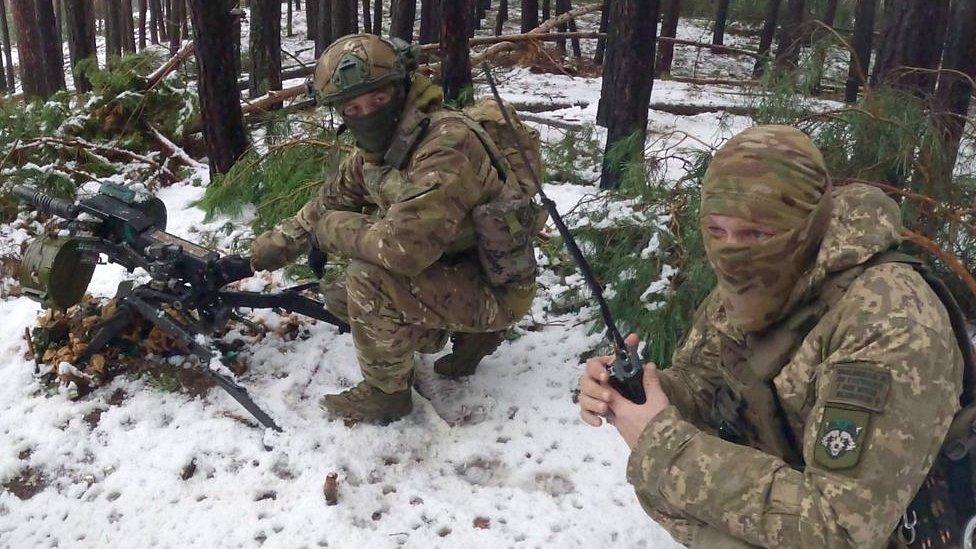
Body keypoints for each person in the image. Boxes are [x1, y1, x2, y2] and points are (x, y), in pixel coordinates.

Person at [578, 125, 965, 547]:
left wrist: (665, 446)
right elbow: (705, 382)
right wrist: (638, 392)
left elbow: (838, 530)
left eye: (756, 234)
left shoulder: (889, 321)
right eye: (717, 231)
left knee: (667, 473)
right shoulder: (764, 278)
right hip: (798, 498)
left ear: (807, 224)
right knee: (663, 481)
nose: (731, 253)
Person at [250, 34, 539, 424]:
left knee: (366, 281)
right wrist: (278, 244)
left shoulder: (445, 146)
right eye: (353, 107)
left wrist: (331, 230)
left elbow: (404, 250)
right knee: (339, 296)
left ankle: (387, 394)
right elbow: (330, 200)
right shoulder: (381, 148)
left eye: (378, 99)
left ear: (402, 88)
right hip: (456, 266)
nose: (366, 113)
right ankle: (469, 335)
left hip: (495, 286)